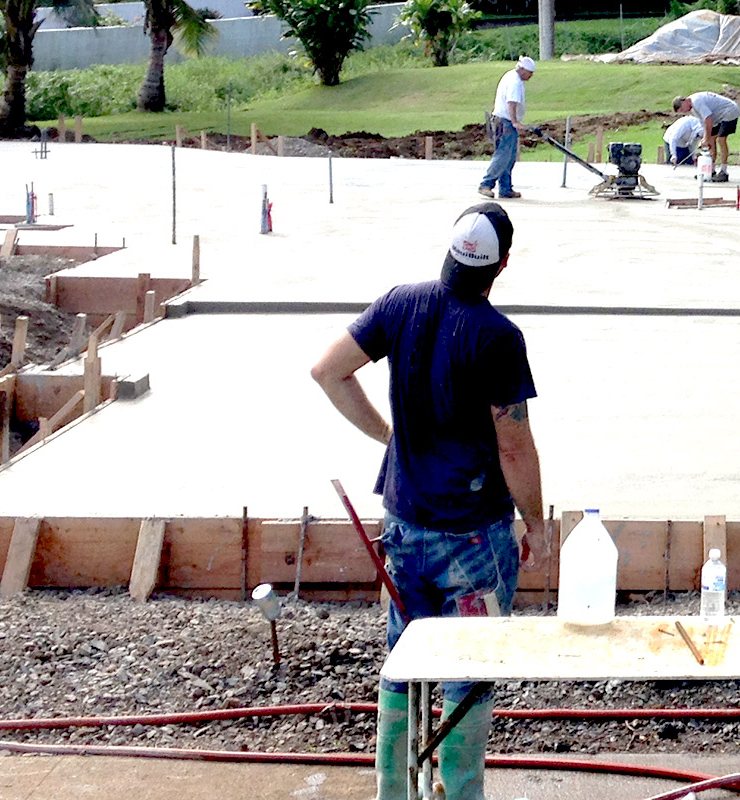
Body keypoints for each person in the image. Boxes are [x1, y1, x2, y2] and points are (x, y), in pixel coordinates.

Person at [310, 202, 547, 800]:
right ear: (503, 265)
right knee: (469, 672)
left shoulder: (399, 304)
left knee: (405, 661)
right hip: (475, 539)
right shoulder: (497, 337)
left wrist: (389, 435)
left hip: (406, 528)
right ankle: (460, 793)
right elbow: (514, 445)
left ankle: (397, 789)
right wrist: (537, 524)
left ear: (448, 252)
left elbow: (327, 371)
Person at [479, 57, 535, 200]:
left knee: (509, 157)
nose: (531, 76)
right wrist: (515, 121)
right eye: (529, 73)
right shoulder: (515, 82)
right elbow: (511, 103)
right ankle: (486, 184)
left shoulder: (510, 75)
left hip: (501, 121)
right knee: (503, 155)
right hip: (505, 122)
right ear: (522, 69)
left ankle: (505, 188)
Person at [671, 92, 739, 181]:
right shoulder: (693, 109)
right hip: (717, 117)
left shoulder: (696, 101)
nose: (684, 111)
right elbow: (703, 123)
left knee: (721, 140)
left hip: (729, 111)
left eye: (682, 109)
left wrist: (706, 138)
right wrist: (704, 139)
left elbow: (708, 118)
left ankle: (723, 171)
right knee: (711, 140)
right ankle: (711, 169)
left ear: (684, 101)